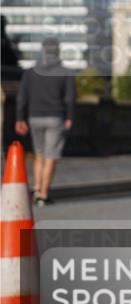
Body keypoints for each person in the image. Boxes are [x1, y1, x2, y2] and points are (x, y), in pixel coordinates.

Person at [15, 38, 75, 206]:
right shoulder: (65, 72)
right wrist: (70, 117)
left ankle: (36, 187)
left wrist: (20, 118)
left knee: (39, 155)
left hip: (34, 117)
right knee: (51, 156)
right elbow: (70, 98)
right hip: (55, 117)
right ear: (58, 51)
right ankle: (43, 194)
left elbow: (22, 97)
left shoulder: (31, 72)